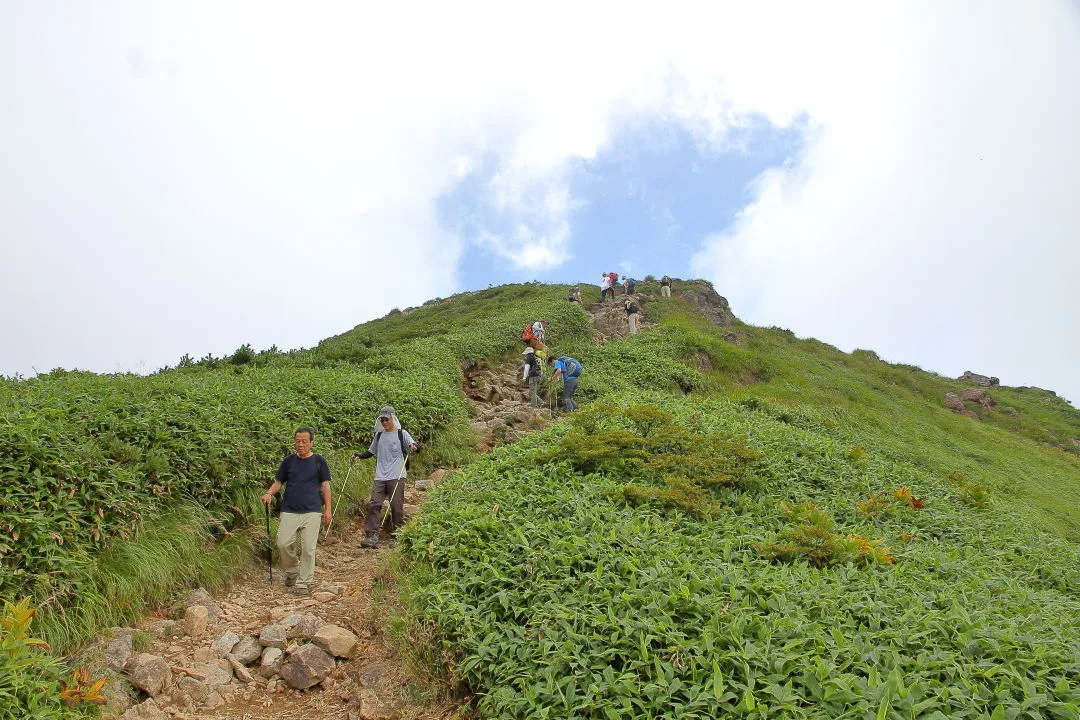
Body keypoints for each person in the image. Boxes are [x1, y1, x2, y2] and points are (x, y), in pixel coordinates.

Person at [262, 427, 332, 596]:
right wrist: (269, 493)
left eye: (304, 441)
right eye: (297, 441)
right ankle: (292, 571)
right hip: (290, 510)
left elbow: (325, 486)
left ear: (311, 443)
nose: (300, 444)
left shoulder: (319, 461)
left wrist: (328, 509)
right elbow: (279, 481)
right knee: (282, 543)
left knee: (308, 548)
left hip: (313, 511)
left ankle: (303, 582)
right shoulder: (288, 461)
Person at [352, 407, 418, 549]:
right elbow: (371, 452)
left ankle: (397, 536)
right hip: (380, 476)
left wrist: (413, 446)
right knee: (374, 504)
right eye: (382, 419)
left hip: (397, 475)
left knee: (396, 506)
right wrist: (359, 455)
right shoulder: (379, 435)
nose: (384, 422)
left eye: (386, 419)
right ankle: (372, 536)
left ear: (393, 418)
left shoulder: (402, 433)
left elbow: (414, 445)